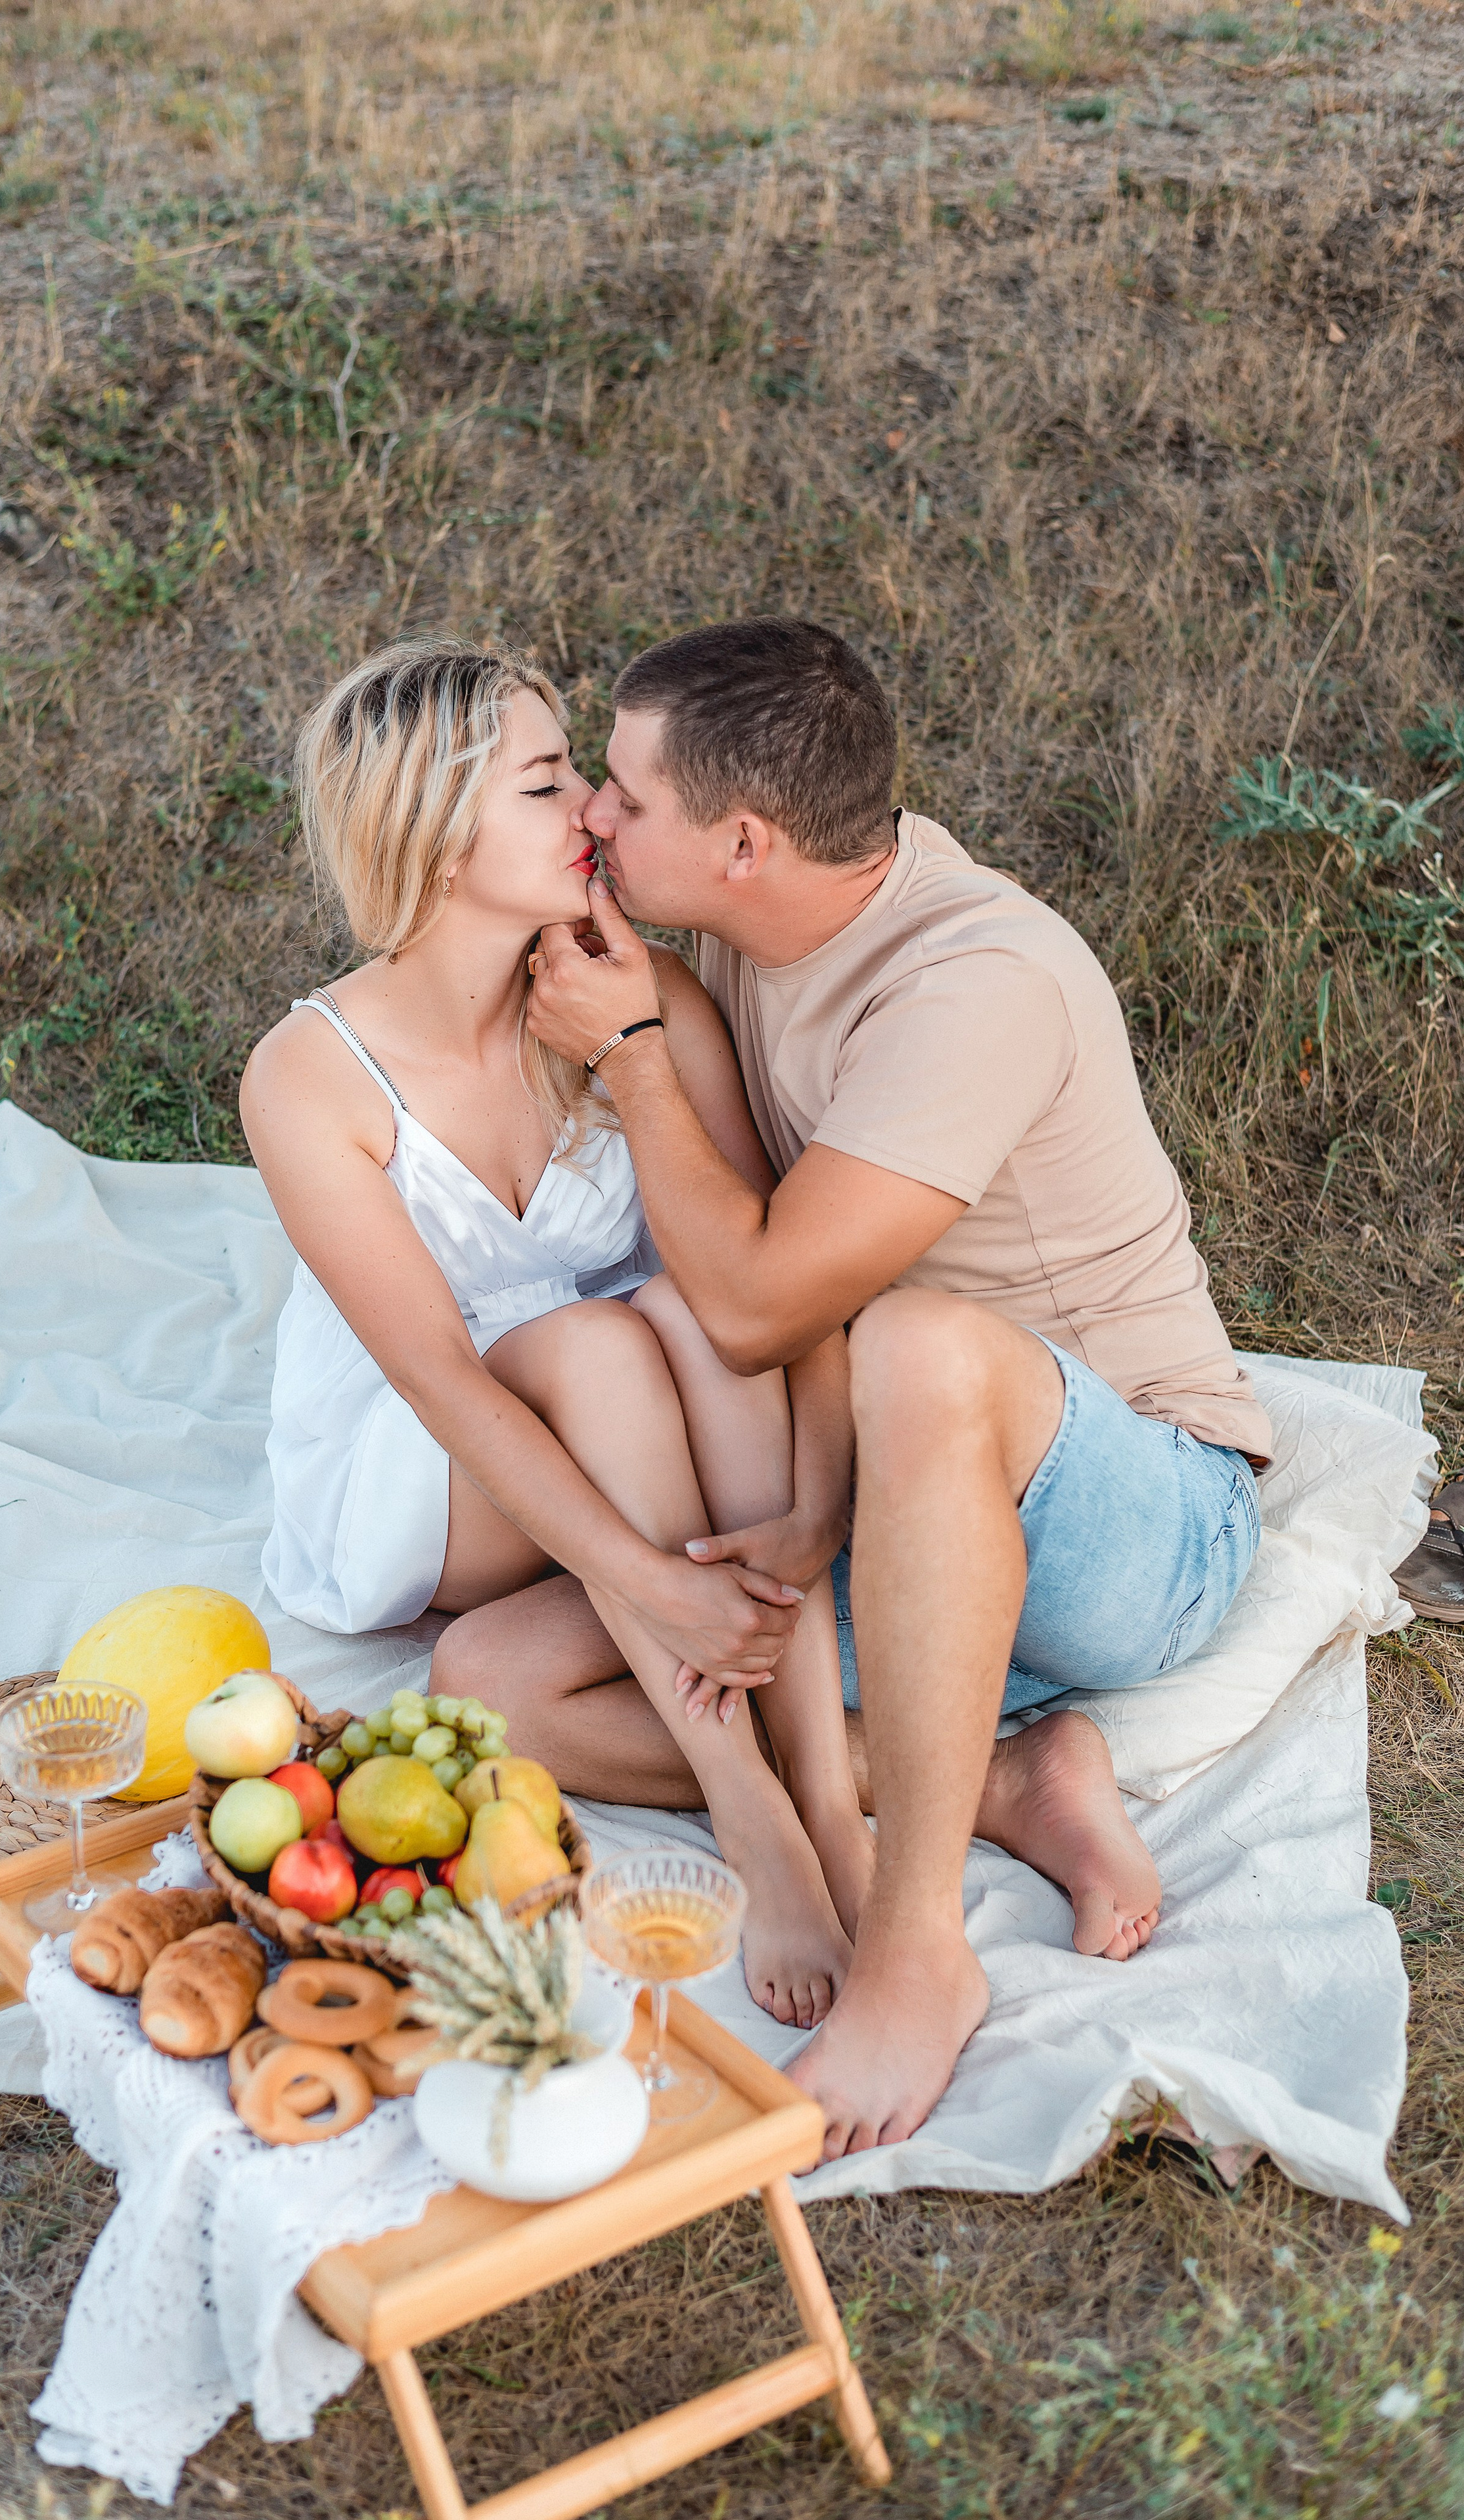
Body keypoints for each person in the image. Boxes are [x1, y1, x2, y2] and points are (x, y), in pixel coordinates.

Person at [522, 616, 1271, 2161]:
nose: (593, 816)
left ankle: (916, 1943)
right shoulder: (747, 916)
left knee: (916, 1342)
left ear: (744, 841)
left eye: (620, 793)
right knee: (500, 1688)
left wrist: (636, 1062)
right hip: (899, 1498)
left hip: (1133, 1518)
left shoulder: (973, 980)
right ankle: (1002, 1772)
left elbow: (750, 1305)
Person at [240, 635, 875, 2031]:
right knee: (603, 1343)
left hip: (660, 1442)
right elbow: (438, 1387)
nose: (592, 805)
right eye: (546, 782)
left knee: (499, 1686)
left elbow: (774, 1295)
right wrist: (653, 1582)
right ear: (431, 827)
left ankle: (847, 1790)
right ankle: (760, 1811)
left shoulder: (631, 992)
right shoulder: (308, 1079)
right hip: (435, 1472)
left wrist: (814, 1518)